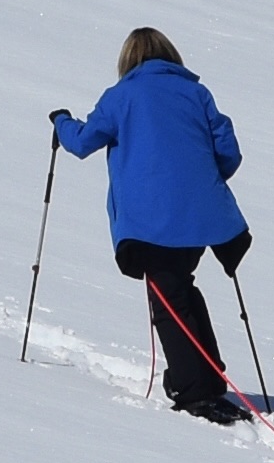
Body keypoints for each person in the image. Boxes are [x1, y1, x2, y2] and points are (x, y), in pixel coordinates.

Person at [51, 29, 251, 421]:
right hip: (202, 217)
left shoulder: (122, 96)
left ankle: (196, 391)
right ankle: (206, 380)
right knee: (181, 289)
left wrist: (61, 122)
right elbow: (228, 151)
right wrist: (197, 182)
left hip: (151, 221)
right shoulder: (197, 94)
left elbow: (82, 142)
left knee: (168, 299)